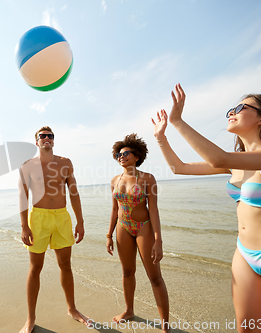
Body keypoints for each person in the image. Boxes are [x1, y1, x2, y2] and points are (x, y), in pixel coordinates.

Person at [152, 83, 261, 332]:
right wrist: (161, 138)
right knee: (247, 329)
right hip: (243, 253)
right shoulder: (236, 161)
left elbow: (218, 158)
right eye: (231, 108)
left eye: (241, 107)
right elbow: (180, 168)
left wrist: (177, 121)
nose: (232, 112)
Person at [18, 126, 90, 333]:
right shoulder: (27, 165)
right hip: (38, 218)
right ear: (37, 141)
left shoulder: (65, 163)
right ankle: (30, 318)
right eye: (43, 136)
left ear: (54, 141)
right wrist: (24, 226)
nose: (47, 138)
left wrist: (80, 221)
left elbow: (74, 193)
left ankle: (72, 309)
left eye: (50, 136)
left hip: (61, 217)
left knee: (65, 265)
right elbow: (22, 196)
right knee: (35, 268)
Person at [106, 134, 170, 332]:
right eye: (118, 154)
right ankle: (129, 310)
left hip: (143, 227)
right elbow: (115, 209)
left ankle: (165, 324)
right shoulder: (115, 180)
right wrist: (108, 235)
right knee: (127, 272)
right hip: (122, 228)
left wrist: (158, 240)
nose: (121, 157)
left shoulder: (147, 178)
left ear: (137, 156)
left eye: (126, 153)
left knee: (155, 277)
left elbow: (154, 209)